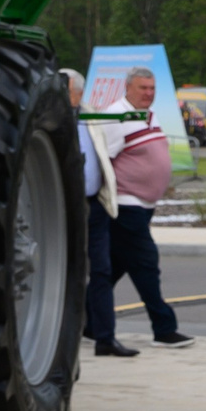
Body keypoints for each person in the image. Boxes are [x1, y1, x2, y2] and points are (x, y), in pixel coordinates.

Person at [100, 66, 190, 348]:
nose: (148, 94)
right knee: (146, 264)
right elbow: (102, 161)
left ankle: (88, 322)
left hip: (144, 206)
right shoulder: (114, 118)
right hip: (127, 206)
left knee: (113, 268)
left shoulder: (148, 115)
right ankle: (164, 328)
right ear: (127, 88)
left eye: (152, 89)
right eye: (143, 88)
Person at [65, 69, 136, 358]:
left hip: (95, 206)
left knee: (102, 272)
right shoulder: (50, 118)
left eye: (65, 89)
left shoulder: (91, 115)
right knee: (68, 272)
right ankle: (65, 340)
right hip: (65, 208)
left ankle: (104, 338)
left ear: (79, 93)